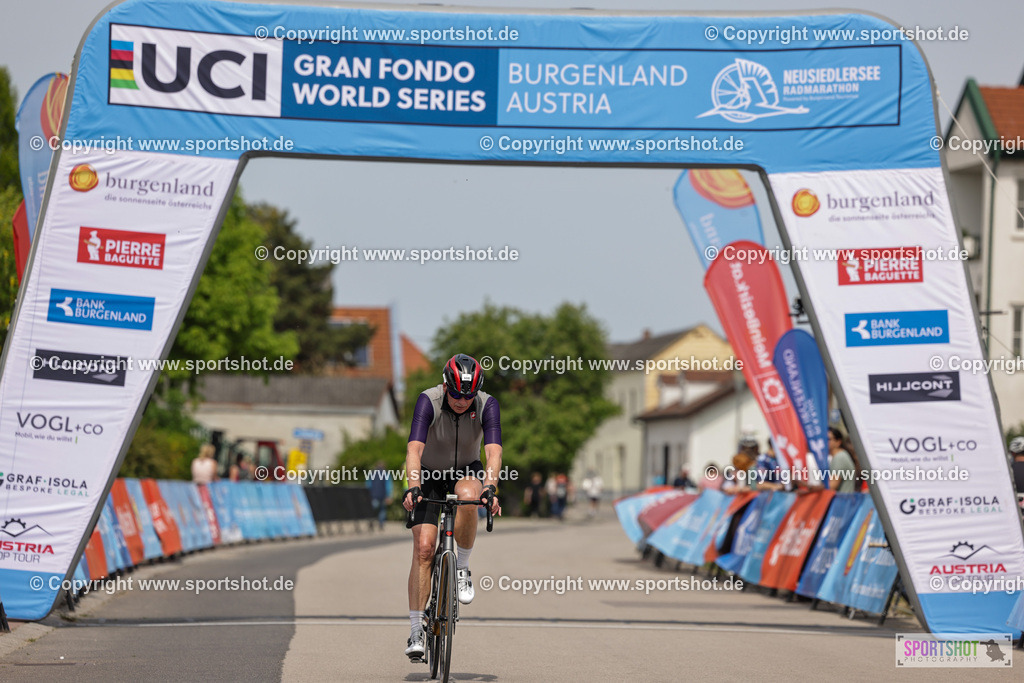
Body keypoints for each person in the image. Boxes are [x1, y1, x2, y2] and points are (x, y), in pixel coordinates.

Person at [401, 354, 502, 660]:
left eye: (468, 395)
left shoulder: (487, 405)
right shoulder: (427, 401)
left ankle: (461, 568)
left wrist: (491, 488)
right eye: (456, 394)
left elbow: (494, 452)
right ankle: (417, 628)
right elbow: (414, 449)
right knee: (424, 549)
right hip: (429, 473)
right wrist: (413, 486)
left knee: (471, 497)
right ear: (446, 386)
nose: (462, 401)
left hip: (464, 470)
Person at [827, 427, 857, 493]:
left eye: (828, 439)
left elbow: (831, 486)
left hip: (842, 501)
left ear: (838, 442)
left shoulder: (840, 458)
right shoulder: (839, 456)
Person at [367, 460, 393, 530]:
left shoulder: (372, 473)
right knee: (382, 510)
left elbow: (368, 484)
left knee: (373, 509)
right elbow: (388, 486)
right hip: (383, 495)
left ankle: (371, 521)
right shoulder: (386, 474)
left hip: (373, 495)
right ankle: (381, 525)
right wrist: (389, 495)